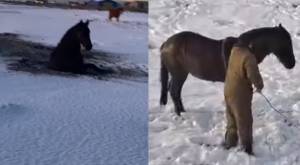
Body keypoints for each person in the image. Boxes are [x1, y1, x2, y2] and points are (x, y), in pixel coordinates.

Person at [223, 41, 264, 155]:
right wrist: (259, 85)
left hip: (228, 88)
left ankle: (230, 141)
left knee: (231, 116)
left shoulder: (235, 50)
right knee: (244, 120)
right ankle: (247, 148)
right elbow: (253, 75)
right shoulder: (249, 58)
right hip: (239, 93)